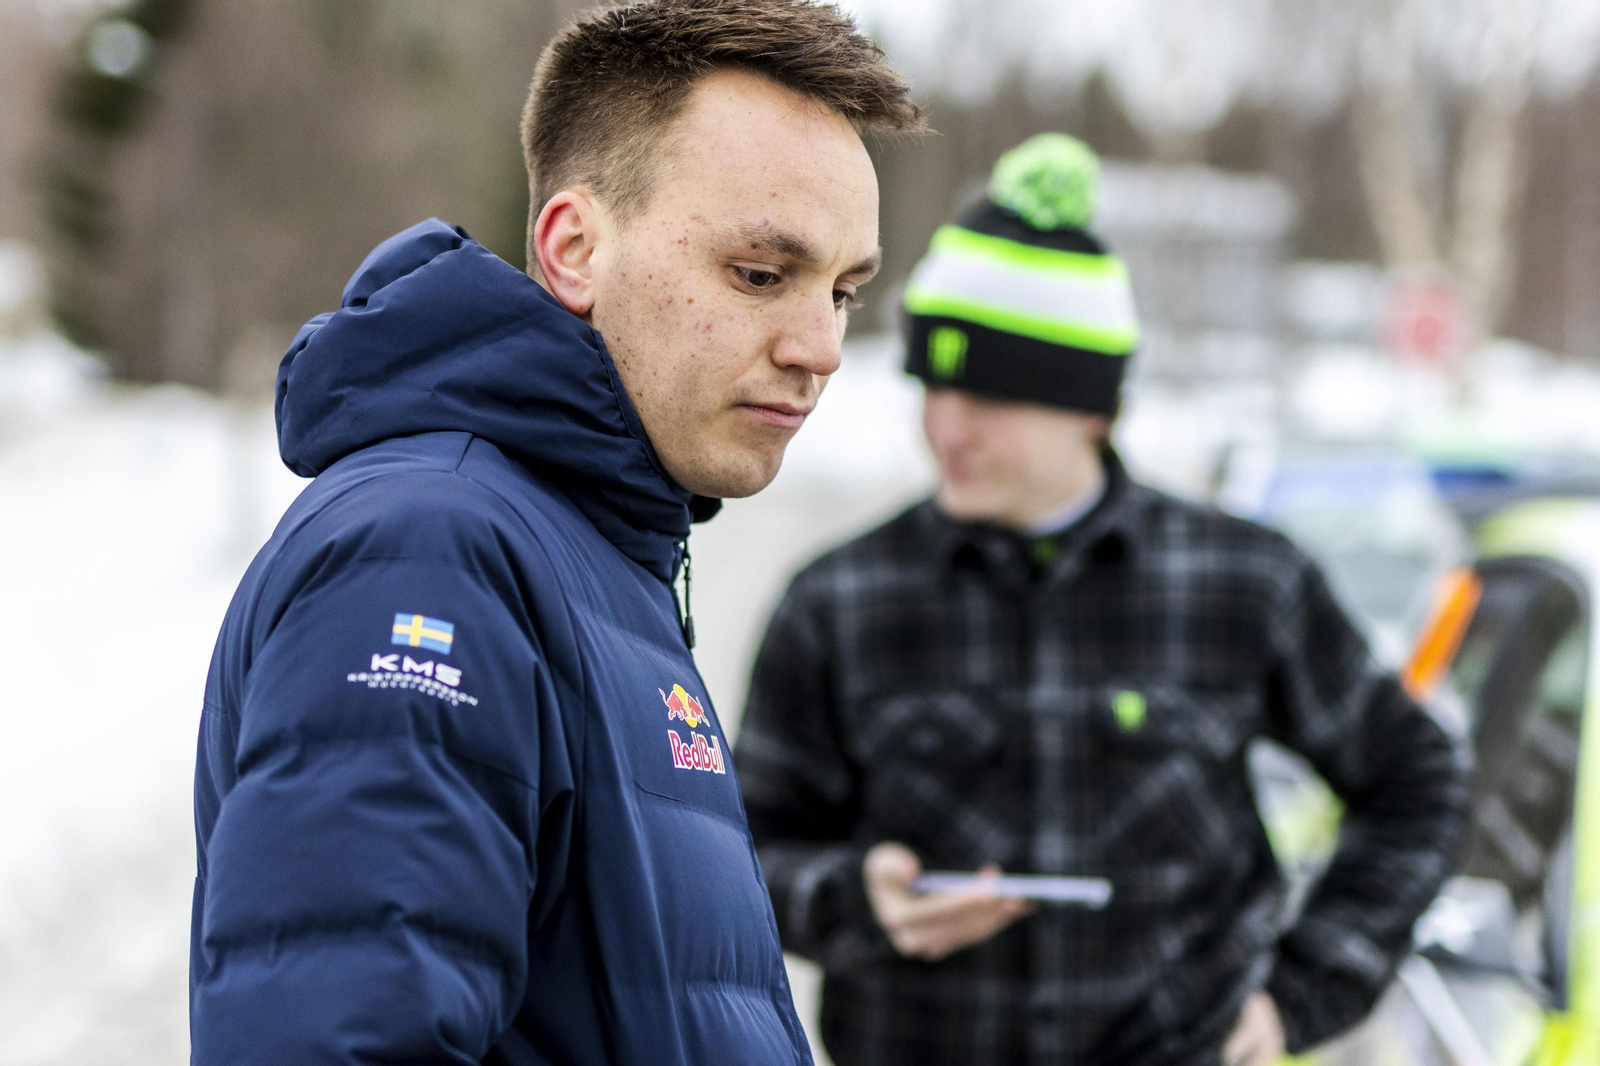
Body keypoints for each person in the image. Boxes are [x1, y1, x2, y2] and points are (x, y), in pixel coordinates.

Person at [188, 3, 923, 1063]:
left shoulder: (583, 544)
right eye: (761, 274)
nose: (820, 347)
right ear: (574, 248)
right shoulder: (432, 552)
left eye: (845, 291)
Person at [735, 134, 1471, 1066]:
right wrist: (855, 898)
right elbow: (741, 852)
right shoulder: (841, 601)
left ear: (1092, 408)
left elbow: (1418, 780)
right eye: (934, 384)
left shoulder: (1243, 583)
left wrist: (1297, 996)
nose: (947, 425)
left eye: (991, 396)